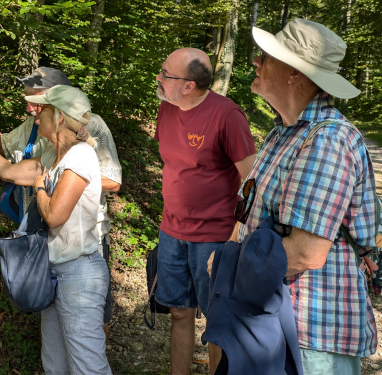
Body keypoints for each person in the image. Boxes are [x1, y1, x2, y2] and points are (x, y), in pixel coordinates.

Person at [209, 18, 377, 375]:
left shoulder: (326, 140)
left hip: (309, 336)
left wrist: (226, 265)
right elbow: (247, 215)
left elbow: (305, 252)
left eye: (266, 56)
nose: (256, 61)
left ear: (295, 74)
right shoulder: (281, 135)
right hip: (269, 323)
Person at [0, 85, 112, 375]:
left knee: (87, 366)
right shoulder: (52, 157)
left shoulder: (80, 157)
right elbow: (7, 171)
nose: (36, 112)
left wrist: (39, 188)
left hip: (79, 275)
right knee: (55, 364)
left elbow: (54, 215)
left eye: (43, 108)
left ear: (60, 117)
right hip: (52, 271)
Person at [154, 47, 256, 375]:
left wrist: (234, 236)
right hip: (171, 232)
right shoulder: (166, 110)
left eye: (166, 74)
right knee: (179, 313)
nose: (159, 77)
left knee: (217, 321)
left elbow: (253, 182)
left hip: (214, 237)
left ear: (189, 85)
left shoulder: (227, 116)